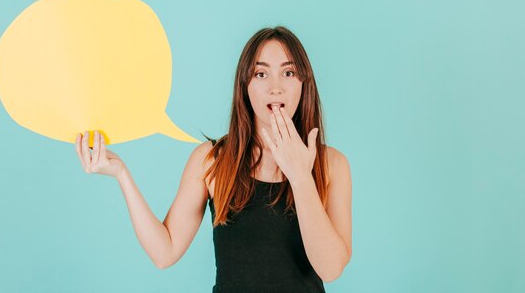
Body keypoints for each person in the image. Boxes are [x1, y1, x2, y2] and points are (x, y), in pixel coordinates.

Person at [74, 26, 352, 293]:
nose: (275, 87)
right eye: (261, 74)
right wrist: (122, 174)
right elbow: (164, 252)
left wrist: (300, 175)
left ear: (304, 83)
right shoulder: (211, 160)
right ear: (245, 85)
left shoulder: (332, 165)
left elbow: (331, 269)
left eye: (288, 72)